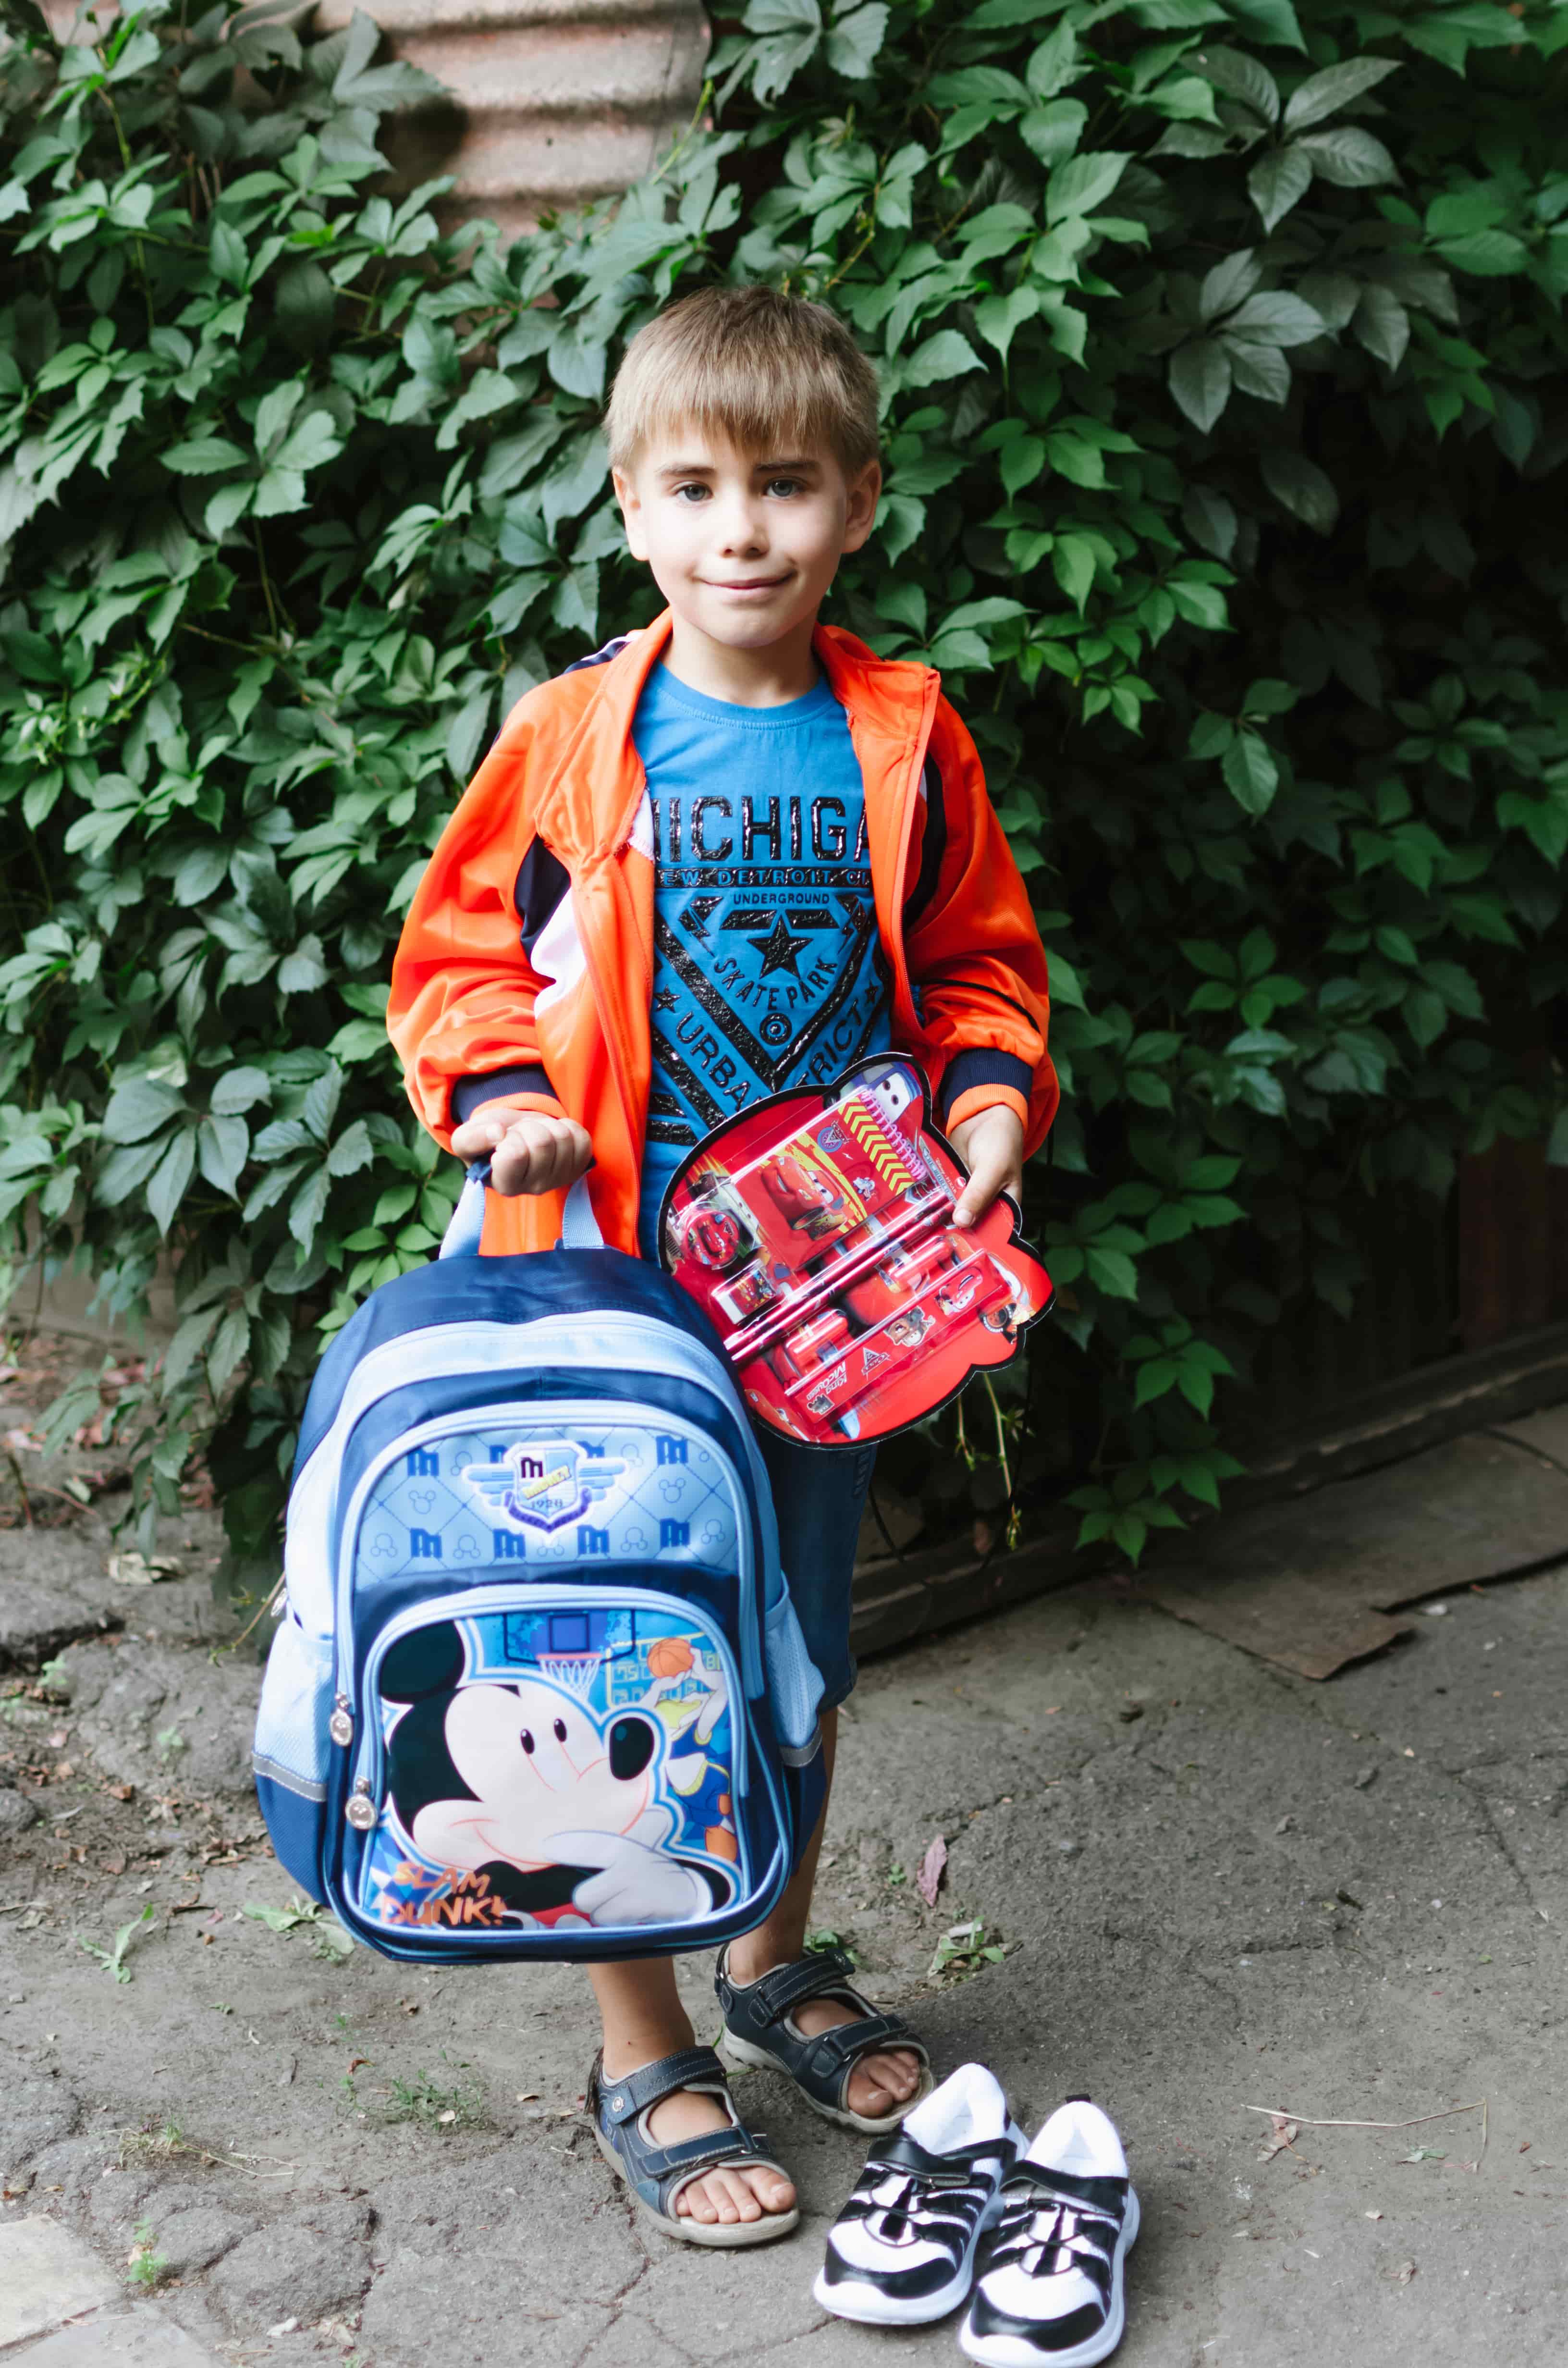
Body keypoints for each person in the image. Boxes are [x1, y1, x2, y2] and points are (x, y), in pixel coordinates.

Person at [387, 284, 1057, 2245]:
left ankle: (769, 1960)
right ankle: (643, 2044)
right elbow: (457, 961)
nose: (739, 527)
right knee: (604, 1639)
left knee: (797, 1641)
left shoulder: (906, 735)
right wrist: (510, 1104)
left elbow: (980, 965)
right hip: (611, 1286)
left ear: (860, 501)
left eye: (783, 483)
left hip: (828, 1294)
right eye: (692, 487)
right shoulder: (574, 734)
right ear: (629, 508)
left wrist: (989, 1107)